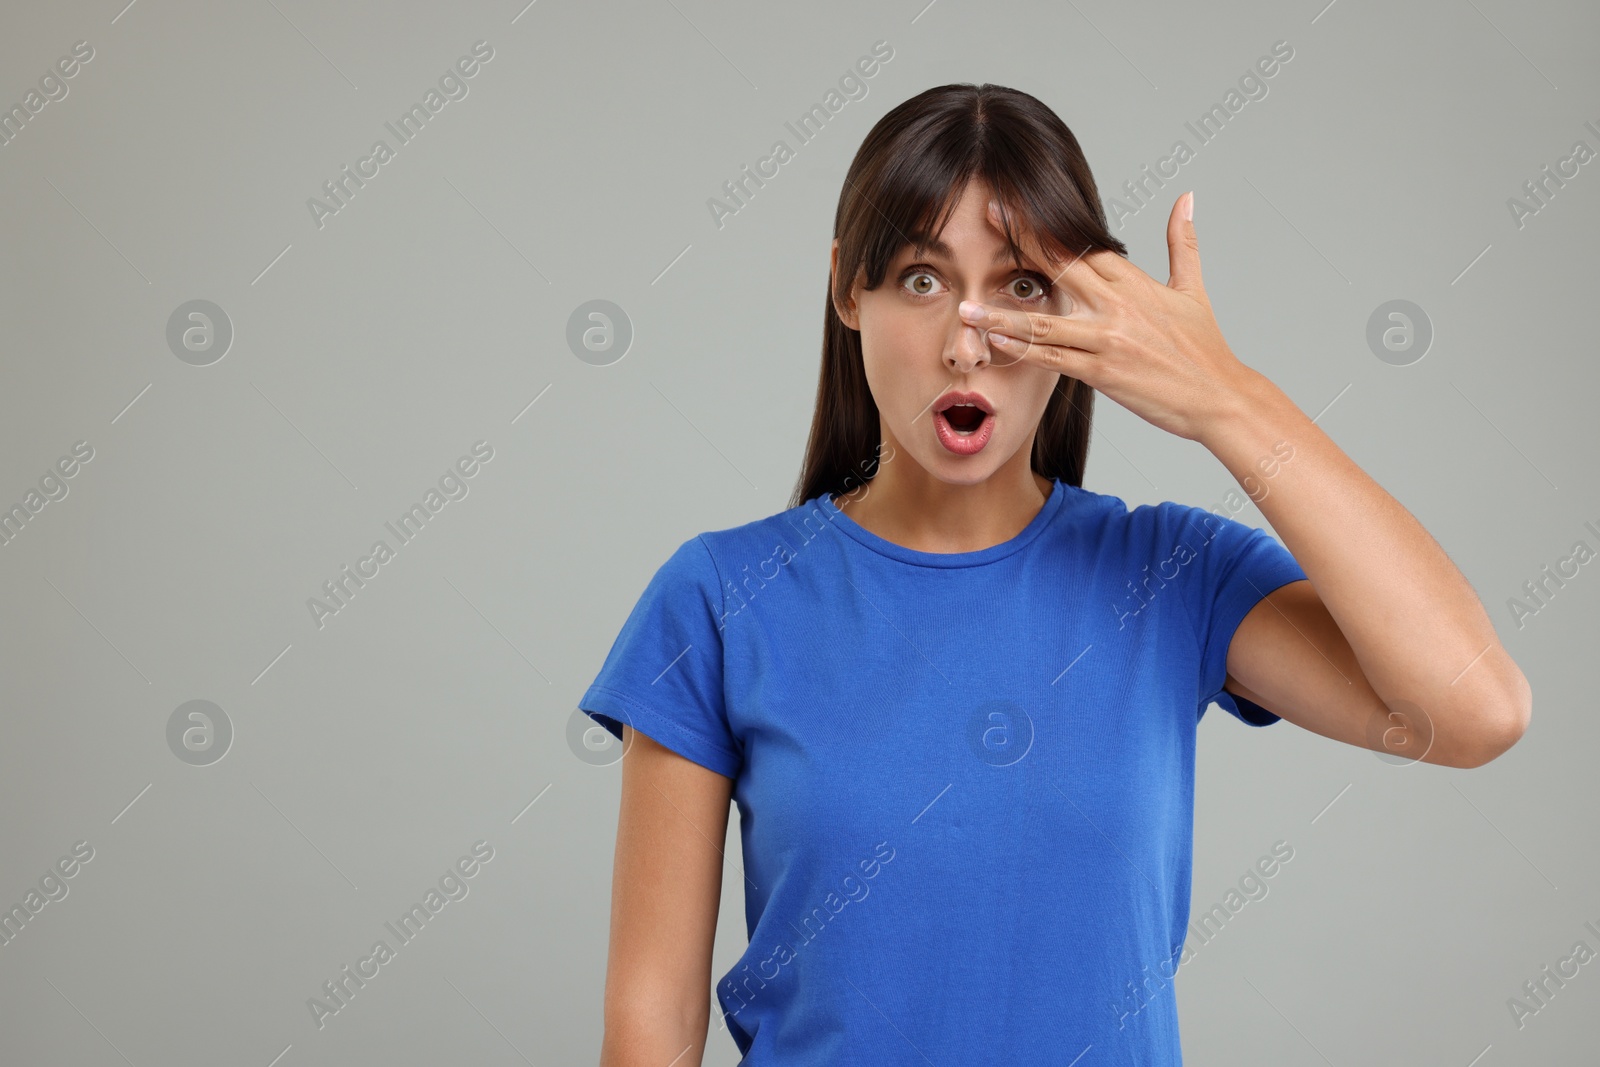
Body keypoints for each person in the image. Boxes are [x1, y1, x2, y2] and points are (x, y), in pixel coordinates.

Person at [580, 82, 1531, 1066]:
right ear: (845, 288)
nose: (968, 339)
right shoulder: (720, 598)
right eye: (919, 276)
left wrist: (1228, 401)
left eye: (1023, 285)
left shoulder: (1170, 576)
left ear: (1083, 311)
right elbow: (648, 1031)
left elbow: (1476, 710)